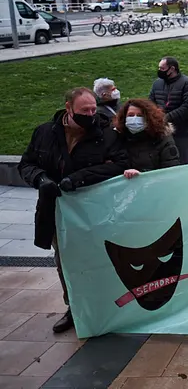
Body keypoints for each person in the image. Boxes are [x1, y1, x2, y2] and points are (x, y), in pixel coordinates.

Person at [17, 87, 128, 333]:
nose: (90, 114)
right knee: (65, 260)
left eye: (92, 109)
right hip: (55, 209)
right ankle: (74, 307)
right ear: (68, 108)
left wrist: (79, 178)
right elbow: (27, 164)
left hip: (94, 211)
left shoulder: (106, 134)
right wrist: (40, 179)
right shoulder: (45, 133)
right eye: (84, 110)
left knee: (100, 257)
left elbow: (120, 164)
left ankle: (106, 305)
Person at [114, 98, 180, 178]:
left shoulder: (163, 139)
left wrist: (142, 175)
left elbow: (171, 170)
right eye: (130, 115)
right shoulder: (118, 138)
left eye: (140, 115)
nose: (134, 119)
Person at [149, 56, 188, 164]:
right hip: (161, 130)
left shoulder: (187, 83)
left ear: (172, 69)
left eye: (162, 68)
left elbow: (187, 106)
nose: (160, 71)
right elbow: (150, 102)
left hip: (182, 131)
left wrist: (166, 117)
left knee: (184, 159)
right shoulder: (157, 83)